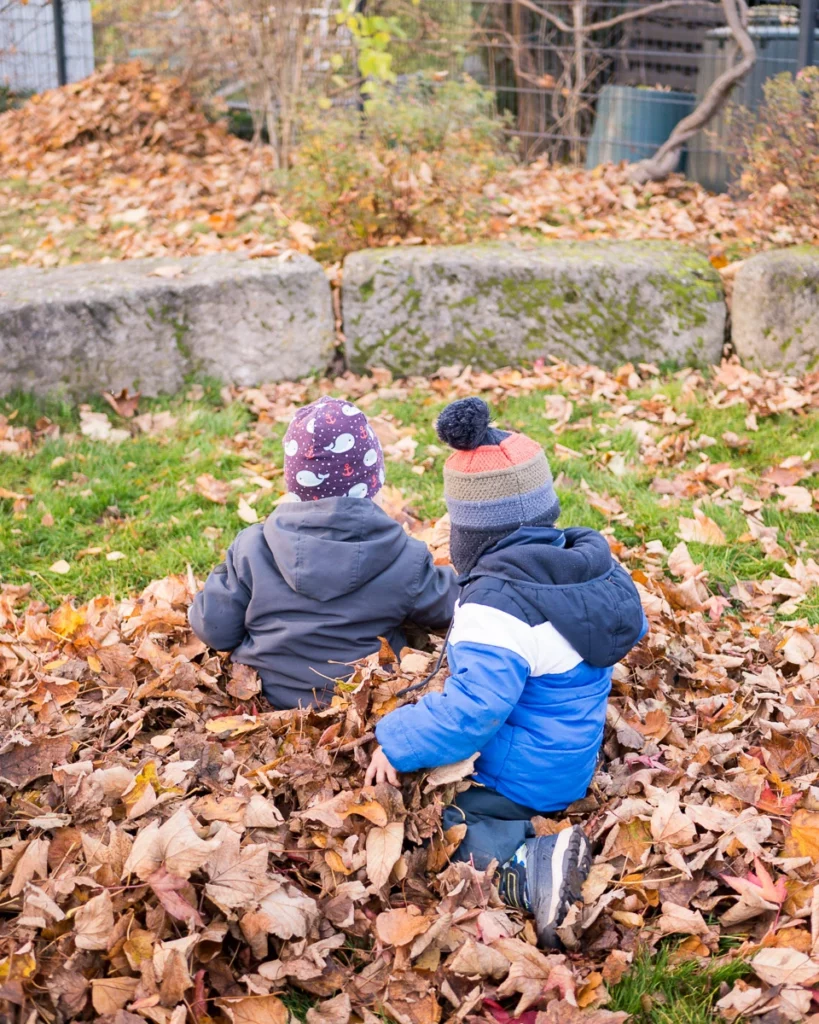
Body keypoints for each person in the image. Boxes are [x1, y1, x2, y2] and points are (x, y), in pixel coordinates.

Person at [366, 397, 647, 947]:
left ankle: (528, 861)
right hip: (567, 754)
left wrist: (397, 739)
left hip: (519, 778)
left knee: (435, 825)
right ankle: (537, 831)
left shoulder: (497, 607)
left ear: (467, 532)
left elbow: (475, 711)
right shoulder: (582, 568)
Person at [189, 396, 458, 709]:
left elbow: (214, 629)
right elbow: (450, 606)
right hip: (366, 699)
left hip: (267, 696)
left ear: (293, 482)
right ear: (373, 483)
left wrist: (225, 572)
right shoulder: (403, 557)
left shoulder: (252, 548)